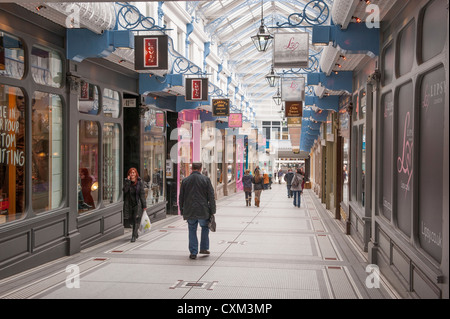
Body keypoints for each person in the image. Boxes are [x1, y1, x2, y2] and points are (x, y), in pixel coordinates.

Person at [179, 162, 216, 260]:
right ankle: (203, 248)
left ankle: (193, 252)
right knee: (204, 227)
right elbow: (211, 196)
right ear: (200, 169)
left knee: (192, 229)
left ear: (192, 169)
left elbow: (181, 197)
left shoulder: (185, 180)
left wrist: (181, 210)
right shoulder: (206, 180)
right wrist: (213, 210)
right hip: (203, 210)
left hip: (189, 210)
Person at [123, 167, 147, 242]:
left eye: (133, 173)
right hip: (129, 204)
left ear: (136, 174)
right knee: (131, 220)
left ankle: (133, 236)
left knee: (136, 219)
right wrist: (128, 181)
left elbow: (142, 194)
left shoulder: (139, 183)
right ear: (129, 174)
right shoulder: (127, 182)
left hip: (137, 204)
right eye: (131, 173)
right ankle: (135, 232)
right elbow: (125, 191)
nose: (132, 174)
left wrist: (144, 205)